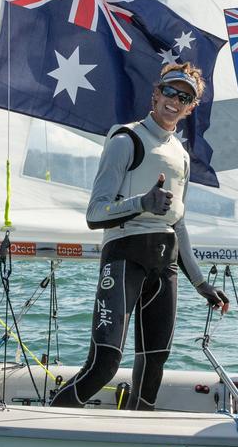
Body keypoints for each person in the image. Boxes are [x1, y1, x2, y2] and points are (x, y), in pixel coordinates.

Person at [51, 62, 228, 410]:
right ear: (156, 93)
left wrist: (201, 284)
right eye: (170, 91)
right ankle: (46, 432)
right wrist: (142, 202)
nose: (175, 100)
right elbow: (94, 214)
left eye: (185, 97)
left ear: (191, 108)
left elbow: (178, 222)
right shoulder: (125, 139)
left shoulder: (181, 154)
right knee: (103, 366)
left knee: (153, 367)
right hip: (124, 259)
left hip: (165, 268)